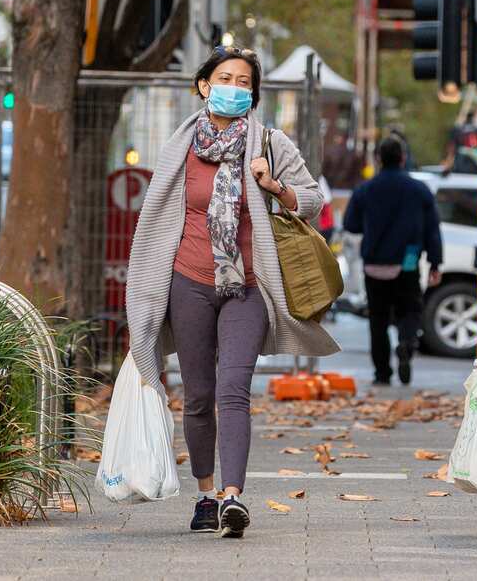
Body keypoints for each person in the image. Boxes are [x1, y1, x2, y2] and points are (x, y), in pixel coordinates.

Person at [125, 45, 339, 539]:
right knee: (198, 395)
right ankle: (204, 493)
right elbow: (159, 217)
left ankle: (232, 497)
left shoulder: (268, 144)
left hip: (247, 287)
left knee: (233, 390)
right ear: (204, 85)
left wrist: (273, 185)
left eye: (245, 83)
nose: (235, 88)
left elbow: (312, 201)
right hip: (188, 281)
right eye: (226, 78)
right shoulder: (180, 145)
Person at [342, 136, 443, 385]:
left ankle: (382, 373)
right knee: (410, 309)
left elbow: (350, 224)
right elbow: (432, 229)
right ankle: (407, 343)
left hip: (374, 263)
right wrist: (435, 262)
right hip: (407, 261)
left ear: (378, 159)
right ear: (403, 158)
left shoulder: (365, 190)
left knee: (378, 320)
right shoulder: (419, 190)